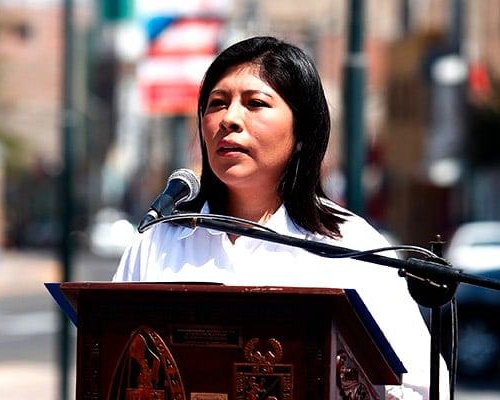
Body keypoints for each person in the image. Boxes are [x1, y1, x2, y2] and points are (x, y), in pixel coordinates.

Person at [113, 36, 450, 399]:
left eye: (255, 103)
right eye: (217, 103)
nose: (229, 119)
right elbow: (112, 361)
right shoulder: (158, 240)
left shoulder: (351, 247)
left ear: (302, 131)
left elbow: (423, 388)